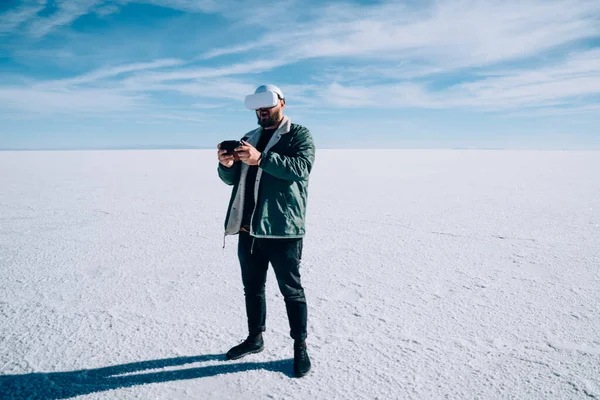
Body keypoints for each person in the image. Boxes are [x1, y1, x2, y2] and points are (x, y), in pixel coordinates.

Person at [216, 84, 316, 378]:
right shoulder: (250, 137)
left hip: (282, 229)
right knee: (253, 289)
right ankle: (255, 338)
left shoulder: (299, 135)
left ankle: (300, 346)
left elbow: (301, 167)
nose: (262, 110)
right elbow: (232, 180)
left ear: (282, 103)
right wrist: (227, 165)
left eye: (268, 105)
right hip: (248, 228)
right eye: (257, 107)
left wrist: (261, 158)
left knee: (291, 290)